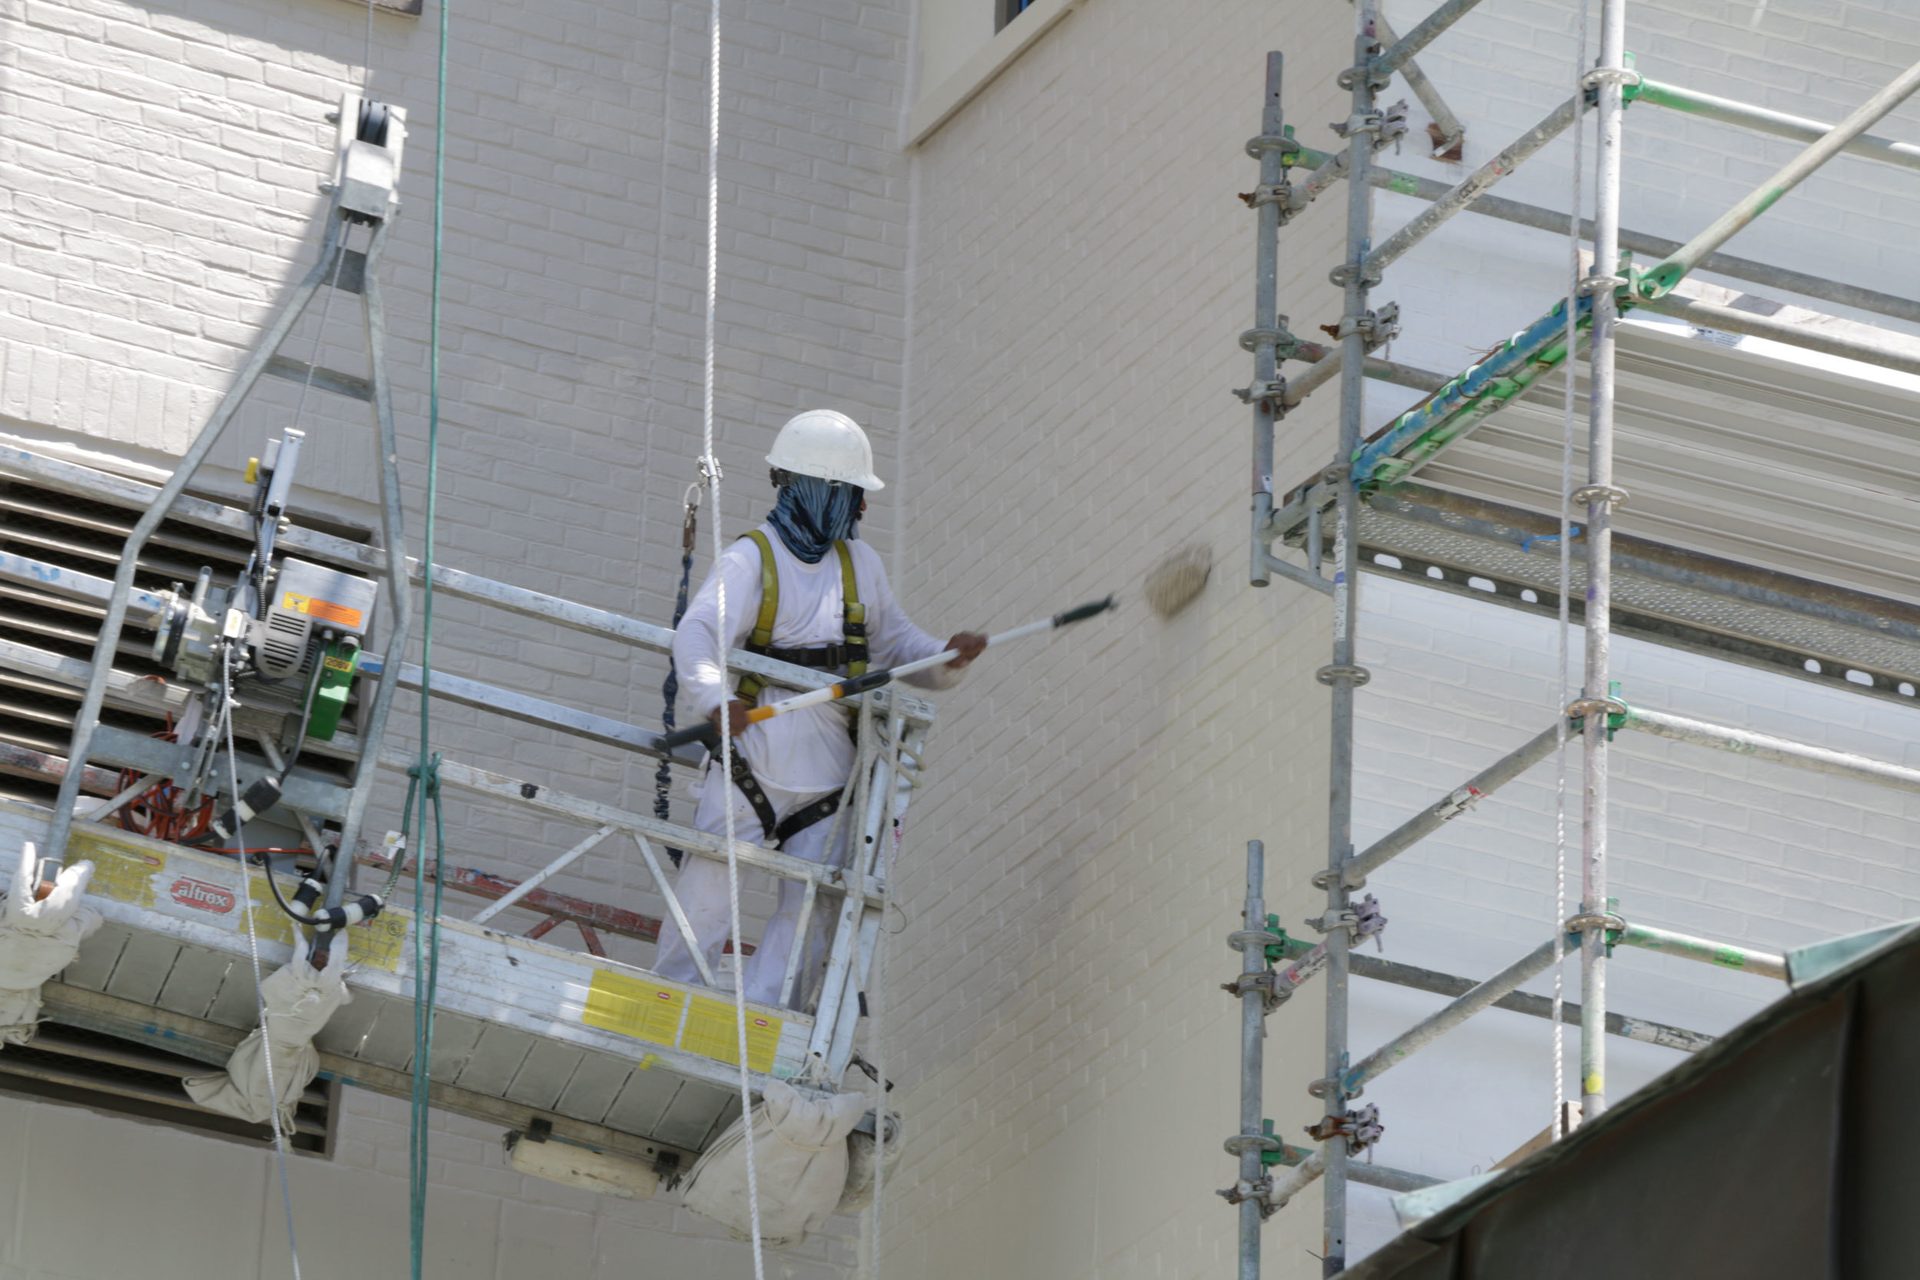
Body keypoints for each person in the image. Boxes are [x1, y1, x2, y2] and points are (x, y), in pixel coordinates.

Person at [654, 408, 986, 1009]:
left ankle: (763, 1020)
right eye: (853, 494)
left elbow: (901, 648)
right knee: (708, 888)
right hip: (752, 761)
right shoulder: (752, 559)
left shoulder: (861, 567)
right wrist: (714, 697)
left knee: (811, 909)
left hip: (831, 777)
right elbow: (698, 634)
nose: (860, 509)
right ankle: (671, 1002)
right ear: (819, 491)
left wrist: (947, 658)